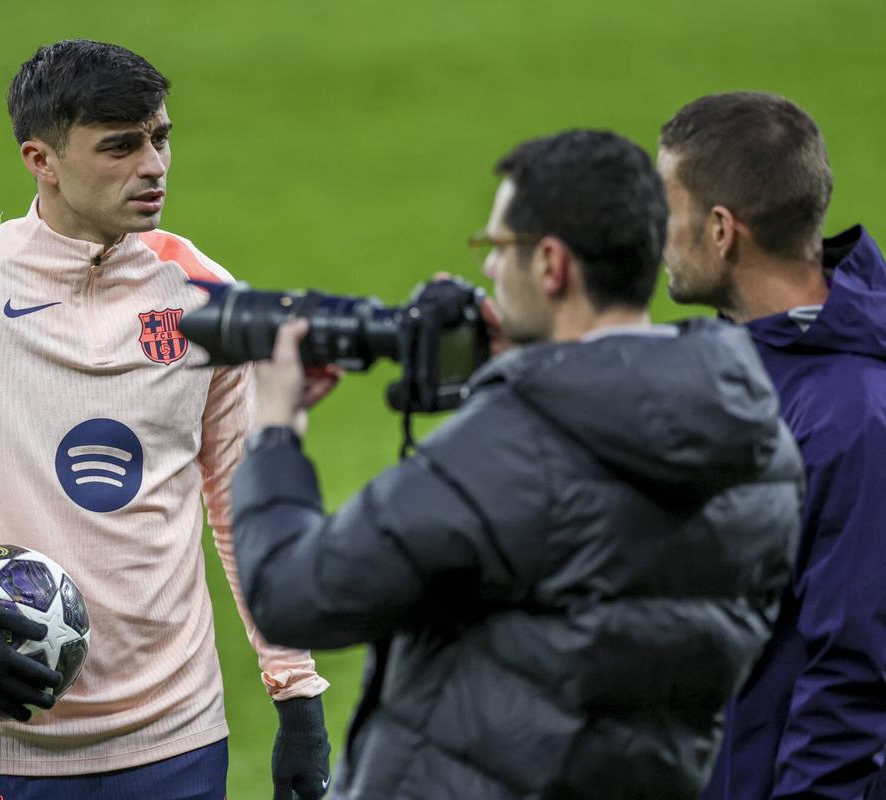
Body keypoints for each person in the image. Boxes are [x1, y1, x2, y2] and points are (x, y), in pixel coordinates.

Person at [0, 39, 331, 800]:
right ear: (40, 160)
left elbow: (242, 506)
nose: (152, 165)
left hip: (177, 742)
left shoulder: (206, 299)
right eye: (119, 146)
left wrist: (296, 692)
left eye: (161, 138)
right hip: (3, 748)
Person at [229, 129, 804, 799]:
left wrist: (274, 431)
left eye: (498, 249)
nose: (490, 273)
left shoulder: (516, 448)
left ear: (552, 264)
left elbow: (294, 595)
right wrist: (530, 378)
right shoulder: (760, 445)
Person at [659, 91, 886, 800]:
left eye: (667, 212)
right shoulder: (729, 356)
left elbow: (853, 680)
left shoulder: (853, 418)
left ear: (722, 230)